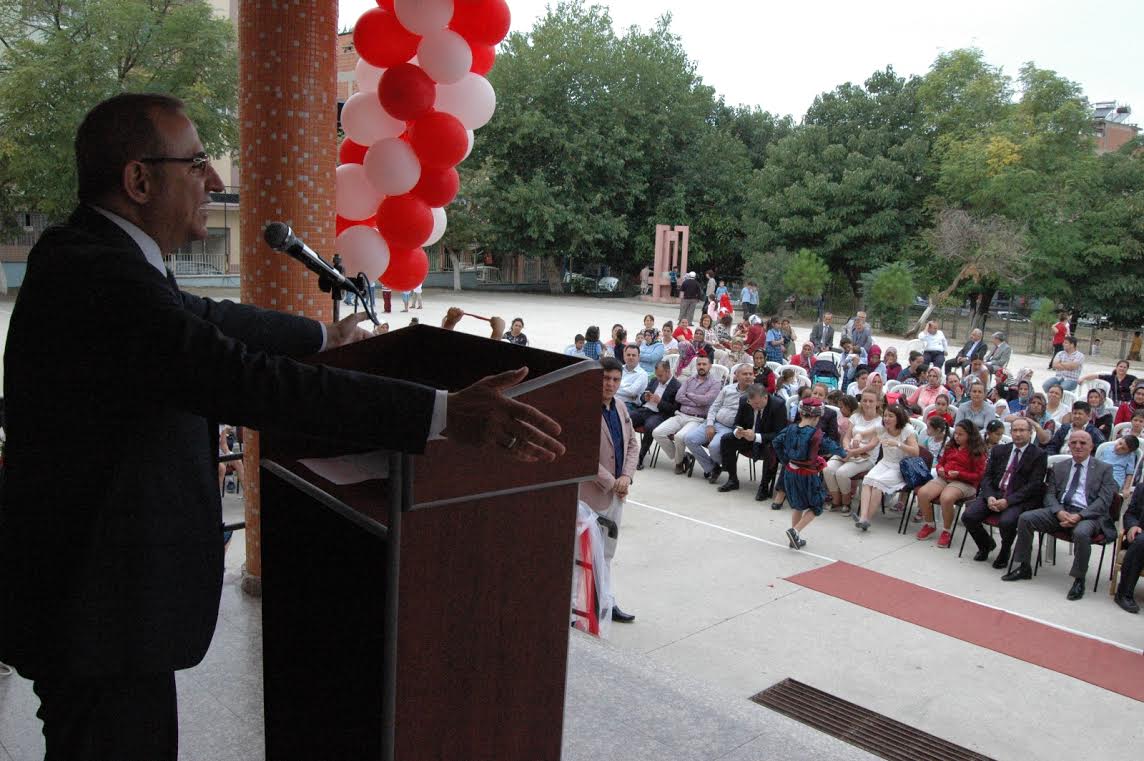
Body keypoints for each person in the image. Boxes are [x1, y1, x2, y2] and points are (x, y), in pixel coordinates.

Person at [0, 93, 565, 760]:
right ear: (139, 180)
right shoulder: (103, 278)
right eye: (198, 163)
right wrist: (441, 411)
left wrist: (322, 335)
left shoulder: (89, 254)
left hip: (95, 606)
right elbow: (243, 378)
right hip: (98, 613)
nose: (213, 181)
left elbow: (204, 321)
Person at [1002, 430, 1117, 601]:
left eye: (1083, 443)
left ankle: (1079, 579)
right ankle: (1024, 566)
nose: (1078, 446)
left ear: (1092, 446)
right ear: (1068, 445)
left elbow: (1104, 500)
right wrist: (1059, 512)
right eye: (1074, 443)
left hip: (1089, 514)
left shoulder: (1104, 469)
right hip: (1061, 510)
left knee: (1081, 533)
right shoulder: (1060, 467)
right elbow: (1049, 494)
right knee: (1026, 518)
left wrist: (1080, 516)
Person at [579, 357, 639, 623]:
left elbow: (633, 445)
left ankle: (606, 601)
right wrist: (611, 481)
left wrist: (626, 476)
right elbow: (583, 455)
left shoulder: (621, 407)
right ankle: (578, 604)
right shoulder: (585, 409)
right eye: (606, 379)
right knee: (584, 553)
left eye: (615, 379)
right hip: (592, 494)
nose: (611, 384)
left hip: (617, 493)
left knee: (607, 553)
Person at [960, 417, 1047, 568]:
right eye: (1015, 430)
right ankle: (986, 545)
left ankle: (1005, 550)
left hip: (1017, 498)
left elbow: (1034, 485)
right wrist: (989, 496)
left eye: (1022, 430)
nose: (1018, 434)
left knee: (1007, 522)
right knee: (968, 516)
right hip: (995, 493)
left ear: (1030, 433)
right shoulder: (1000, 450)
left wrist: (1008, 501)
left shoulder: (1038, 455)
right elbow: (987, 476)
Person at [772, 398, 846, 549]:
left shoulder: (790, 429)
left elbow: (776, 442)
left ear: (801, 412)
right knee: (816, 505)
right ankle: (795, 531)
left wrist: (785, 460)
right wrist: (845, 453)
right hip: (807, 474)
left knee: (798, 505)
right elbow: (835, 448)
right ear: (817, 417)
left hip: (790, 471)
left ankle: (795, 538)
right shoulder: (816, 435)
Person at [913, 419, 986, 546]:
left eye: (960, 434)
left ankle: (947, 530)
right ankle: (929, 524)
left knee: (946, 498)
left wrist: (960, 474)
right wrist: (940, 468)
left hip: (966, 482)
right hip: (945, 477)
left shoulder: (977, 451)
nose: (956, 436)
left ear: (970, 435)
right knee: (923, 493)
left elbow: (979, 476)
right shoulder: (950, 446)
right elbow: (942, 461)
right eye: (956, 433)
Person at [853, 405, 920, 532]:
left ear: (898, 418)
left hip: (900, 466)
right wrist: (858, 436)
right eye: (885, 415)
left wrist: (898, 444)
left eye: (891, 416)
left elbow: (916, 452)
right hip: (884, 463)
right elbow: (862, 433)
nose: (887, 419)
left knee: (878, 484)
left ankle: (867, 519)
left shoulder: (907, 430)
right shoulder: (881, 428)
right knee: (868, 480)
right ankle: (862, 517)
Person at [652, 351, 721, 473]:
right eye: (699, 364)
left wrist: (689, 395)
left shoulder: (715, 383)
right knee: (657, 432)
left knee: (679, 437)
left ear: (710, 366)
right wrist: (697, 400)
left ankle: (678, 463)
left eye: (704, 364)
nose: (701, 366)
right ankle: (683, 457)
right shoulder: (689, 380)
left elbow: (706, 400)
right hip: (680, 415)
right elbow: (679, 397)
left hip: (697, 418)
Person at [686, 363, 754, 481]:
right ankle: (712, 467)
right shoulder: (728, 389)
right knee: (689, 439)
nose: (748, 376)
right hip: (715, 422)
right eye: (745, 374)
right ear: (736, 376)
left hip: (729, 428)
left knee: (714, 447)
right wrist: (710, 424)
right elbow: (714, 407)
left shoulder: (754, 393)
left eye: (750, 374)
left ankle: (721, 465)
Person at [716, 384, 787, 496]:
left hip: (766, 440)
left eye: (757, 403)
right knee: (727, 439)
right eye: (751, 403)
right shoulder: (744, 401)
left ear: (765, 397)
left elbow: (780, 434)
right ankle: (732, 479)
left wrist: (756, 437)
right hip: (747, 437)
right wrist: (737, 431)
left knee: (770, 449)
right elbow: (737, 423)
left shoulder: (778, 405)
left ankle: (764, 486)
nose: (754, 406)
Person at [823, 388, 883, 514]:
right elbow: (847, 436)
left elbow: (872, 445)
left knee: (842, 473)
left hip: (866, 456)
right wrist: (846, 448)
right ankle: (836, 500)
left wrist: (853, 452)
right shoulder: (856, 416)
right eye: (865, 400)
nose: (867, 404)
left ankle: (846, 501)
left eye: (871, 401)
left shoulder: (880, 422)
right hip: (849, 450)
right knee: (827, 468)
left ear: (878, 403)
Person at [630, 360, 681, 470]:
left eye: (660, 376)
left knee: (649, 426)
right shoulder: (654, 380)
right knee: (627, 419)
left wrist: (660, 402)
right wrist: (645, 397)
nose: (658, 378)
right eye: (657, 375)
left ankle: (640, 457)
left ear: (668, 372)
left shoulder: (676, 386)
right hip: (645, 409)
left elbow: (674, 410)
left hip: (660, 414)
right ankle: (626, 451)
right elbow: (644, 395)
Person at [1114, 485, 1144, 613]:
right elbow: (1130, 514)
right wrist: (1133, 526)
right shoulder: (1142, 488)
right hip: (1141, 538)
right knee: (1141, 540)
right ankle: (1124, 594)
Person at [616, 345, 649, 410]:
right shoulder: (618, 369)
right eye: (628, 355)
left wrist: (613, 389)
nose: (630, 357)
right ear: (624, 356)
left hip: (629, 405)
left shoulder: (642, 374)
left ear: (638, 357)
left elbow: (631, 392)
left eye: (633, 355)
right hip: (612, 400)